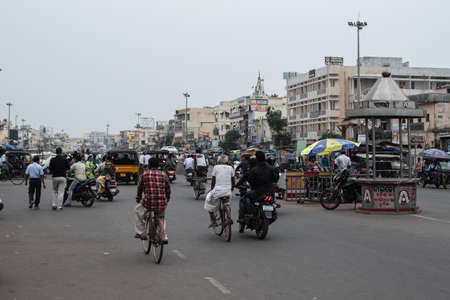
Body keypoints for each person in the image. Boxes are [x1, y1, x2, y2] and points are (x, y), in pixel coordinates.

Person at [237, 151, 277, 228]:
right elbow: (275, 179)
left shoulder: (254, 169)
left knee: (243, 199)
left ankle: (242, 217)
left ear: (257, 159)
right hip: (269, 192)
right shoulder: (271, 168)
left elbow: (250, 181)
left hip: (257, 192)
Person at [135, 157, 171, 243]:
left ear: (149, 165)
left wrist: (138, 198)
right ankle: (163, 235)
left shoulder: (144, 174)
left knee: (137, 210)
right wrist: (167, 199)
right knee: (161, 217)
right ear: (158, 165)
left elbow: (139, 189)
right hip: (161, 202)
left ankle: (141, 232)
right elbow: (168, 189)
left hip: (148, 202)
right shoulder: (164, 174)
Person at [204, 154, 235, 228]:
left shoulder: (216, 167)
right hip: (228, 191)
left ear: (219, 160)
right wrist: (231, 189)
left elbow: (213, 181)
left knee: (208, 202)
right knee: (226, 202)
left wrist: (211, 190)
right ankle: (229, 216)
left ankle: (213, 221)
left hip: (218, 190)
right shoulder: (231, 168)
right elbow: (233, 181)